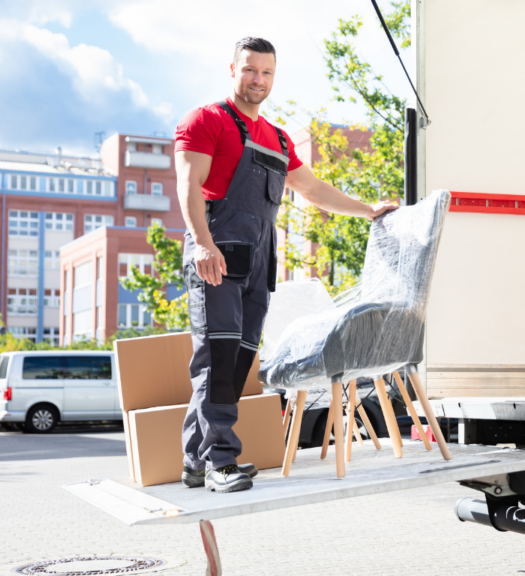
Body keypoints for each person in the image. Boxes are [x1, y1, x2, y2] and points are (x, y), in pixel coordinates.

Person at [174, 37, 396, 493]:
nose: (258, 80)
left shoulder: (276, 137)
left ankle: (196, 460)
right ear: (232, 69)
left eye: (267, 72)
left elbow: (313, 190)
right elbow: (188, 184)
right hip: (215, 251)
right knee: (217, 355)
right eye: (250, 70)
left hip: (257, 261)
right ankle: (221, 461)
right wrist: (201, 243)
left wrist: (367, 209)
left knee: (239, 361)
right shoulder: (205, 120)